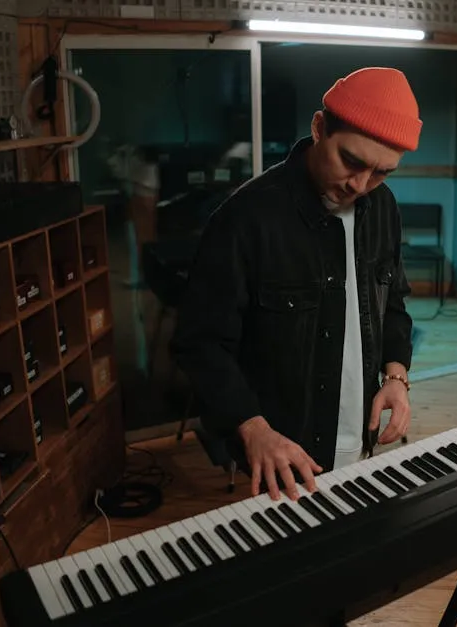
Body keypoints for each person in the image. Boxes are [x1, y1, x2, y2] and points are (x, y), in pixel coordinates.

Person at [170, 67, 421, 503]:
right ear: (320, 127)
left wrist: (397, 376)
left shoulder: (383, 207)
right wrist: (252, 427)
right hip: (279, 457)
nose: (360, 186)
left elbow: (392, 300)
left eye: (381, 173)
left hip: (359, 441)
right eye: (352, 161)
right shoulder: (244, 218)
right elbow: (200, 343)